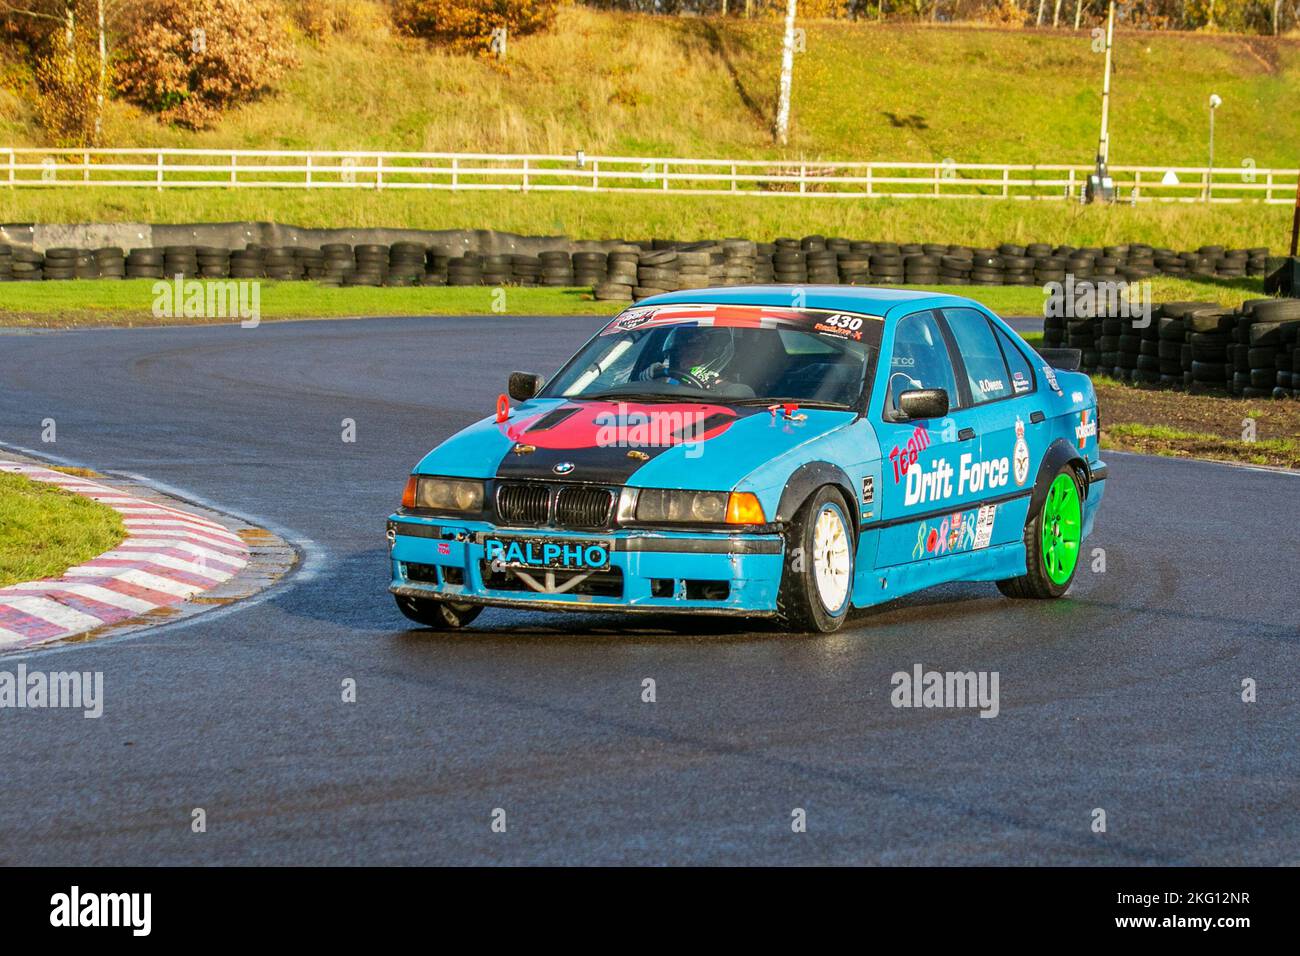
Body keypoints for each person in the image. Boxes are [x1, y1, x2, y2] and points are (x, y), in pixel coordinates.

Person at [639, 325, 736, 389]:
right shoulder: (670, 379)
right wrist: (654, 376)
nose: (682, 358)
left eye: (693, 353)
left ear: (713, 354)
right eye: (679, 351)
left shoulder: (728, 391)